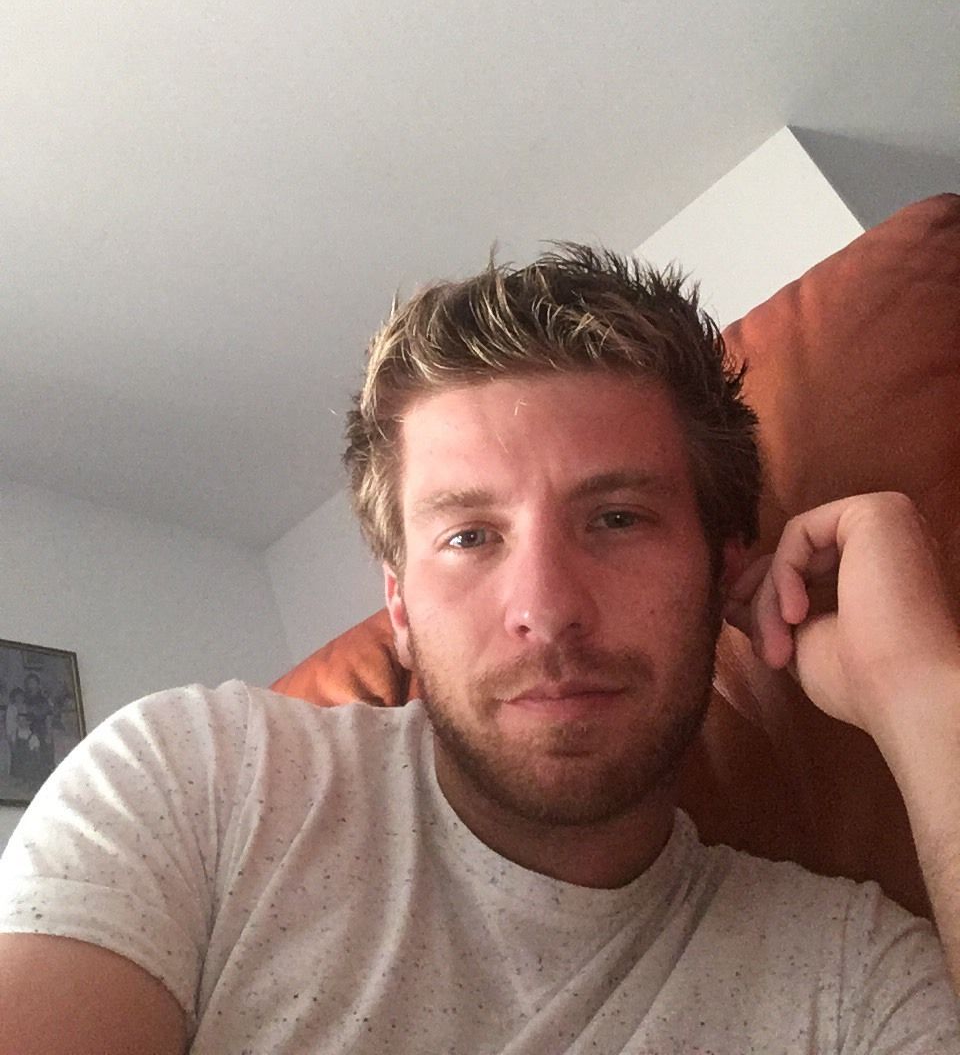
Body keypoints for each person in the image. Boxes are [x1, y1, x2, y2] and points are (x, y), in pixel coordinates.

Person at [1, 246, 958, 1054]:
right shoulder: (198, 783)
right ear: (400, 604)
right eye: (469, 536)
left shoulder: (848, 978)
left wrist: (923, 693)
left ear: (725, 570)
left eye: (617, 518)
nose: (546, 610)